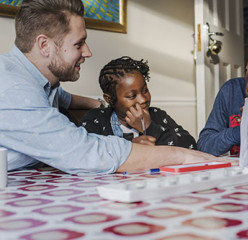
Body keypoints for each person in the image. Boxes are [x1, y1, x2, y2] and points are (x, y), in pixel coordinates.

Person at [0, 0, 220, 174]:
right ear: (44, 45)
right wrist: (180, 156)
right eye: (79, 43)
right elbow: (85, 153)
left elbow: (62, 97)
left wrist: (98, 103)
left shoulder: (37, 83)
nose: (87, 52)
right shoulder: (14, 91)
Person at [78, 56, 197, 149]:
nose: (143, 99)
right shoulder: (97, 120)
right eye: (132, 96)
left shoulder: (157, 115)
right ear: (109, 99)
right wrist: (129, 147)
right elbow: (84, 153)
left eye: (145, 90)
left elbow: (190, 145)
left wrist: (151, 127)